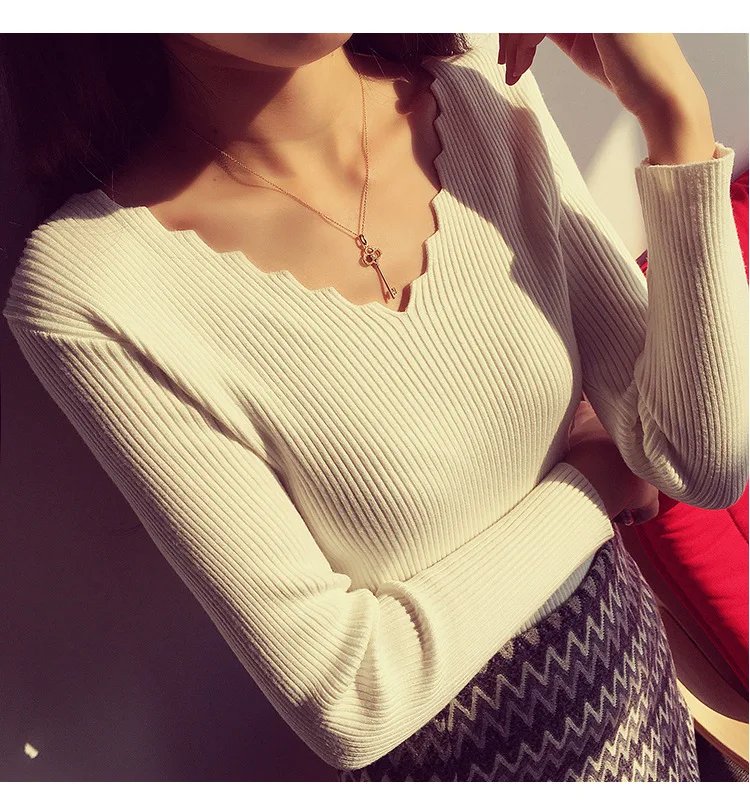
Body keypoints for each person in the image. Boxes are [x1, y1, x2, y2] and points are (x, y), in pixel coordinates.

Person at [1, 33, 747, 781]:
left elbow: (700, 463)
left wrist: (674, 116)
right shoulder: (92, 286)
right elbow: (351, 699)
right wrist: (596, 483)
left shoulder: (484, 92)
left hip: (655, 723)